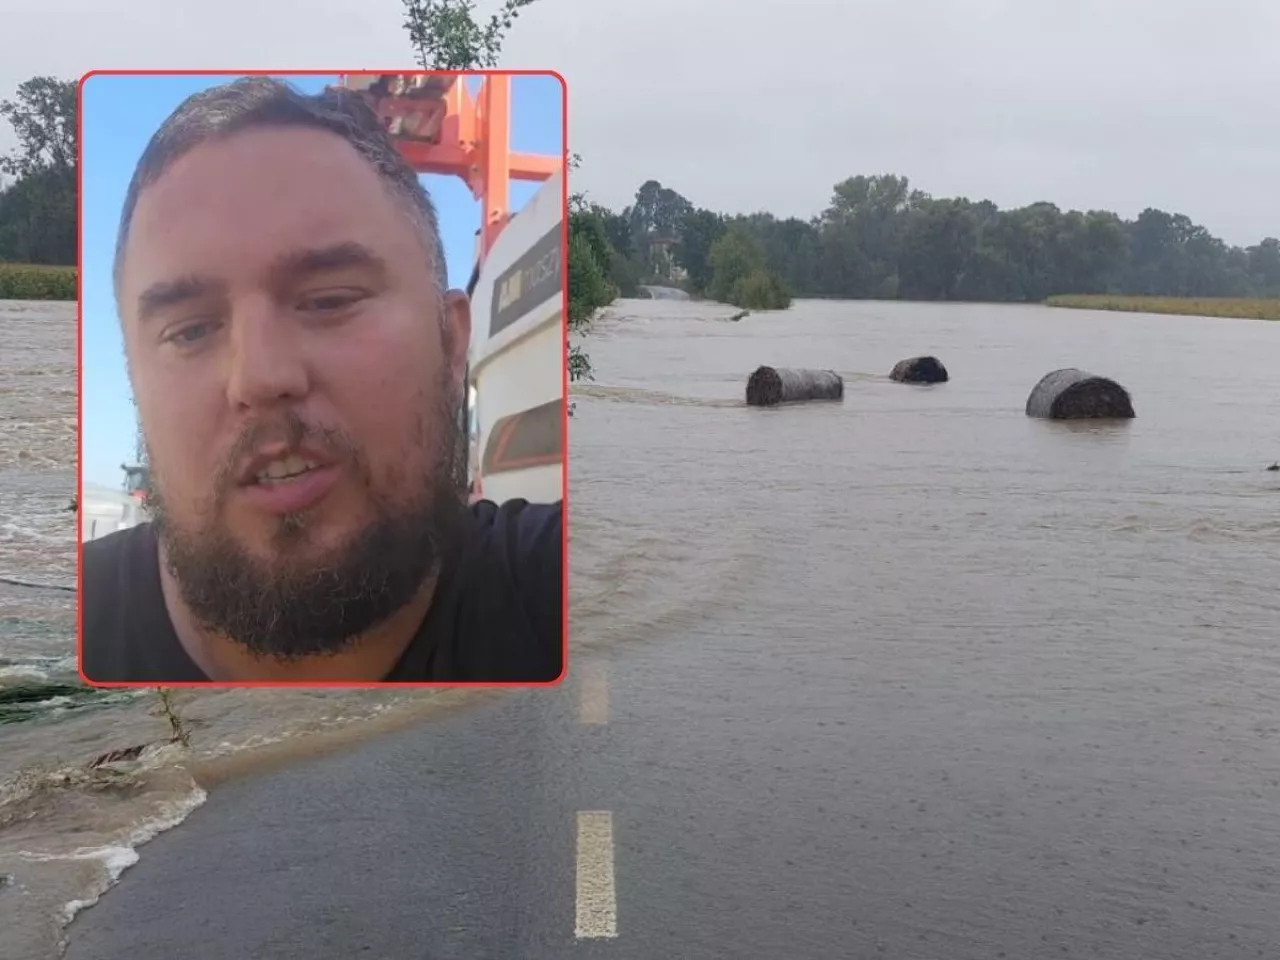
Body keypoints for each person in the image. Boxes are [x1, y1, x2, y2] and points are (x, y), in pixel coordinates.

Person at [80, 76, 563, 684]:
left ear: (450, 340)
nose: (260, 376)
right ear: (132, 375)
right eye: (191, 331)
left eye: (330, 300)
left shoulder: (568, 590)